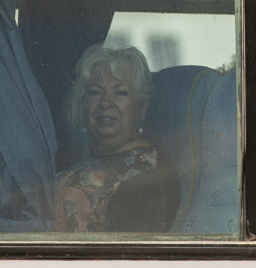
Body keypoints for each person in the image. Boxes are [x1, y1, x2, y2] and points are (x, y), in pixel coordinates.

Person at [53, 44, 180, 233]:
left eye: (120, 92)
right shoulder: (76, 157)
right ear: (83, 103)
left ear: (142, 106)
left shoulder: (147, 176)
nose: (105, 102)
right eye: (95, 91)